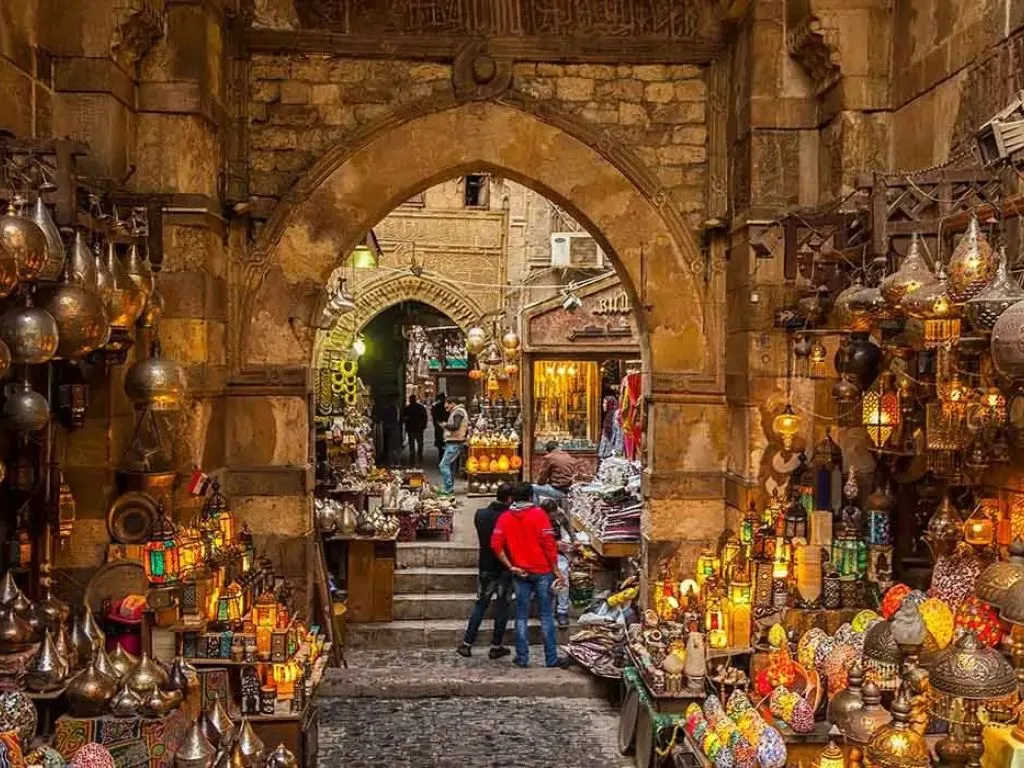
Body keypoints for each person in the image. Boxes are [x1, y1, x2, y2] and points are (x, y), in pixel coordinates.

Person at [490, 483, 570, 668]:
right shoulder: (539, 515)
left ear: (512, 498)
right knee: (546, 615)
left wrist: (510, 567)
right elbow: (549, 545)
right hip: (542, 571)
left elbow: (495, 545)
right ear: (530, 497)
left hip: (520, 572)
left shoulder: (505, 518)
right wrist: (557, 570)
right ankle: (551, 658)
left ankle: (522, 657)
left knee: (521, 616)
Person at [457, 483, 514, 659]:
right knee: (502, 607)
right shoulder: (510, 517)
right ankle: (496, 645)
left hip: (486, 566)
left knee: (481, 603)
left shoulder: (480, 514)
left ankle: (467, 643)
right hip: (505, 567)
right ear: (510, 499)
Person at [539, 498, 572, 627]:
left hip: (557, 554)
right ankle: (546, 610)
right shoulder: (537, 519)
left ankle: (562, 610)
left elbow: (568, 526)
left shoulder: (559, 514)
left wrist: (573, 541)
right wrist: (554, 544)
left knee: (563, 574)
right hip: (541, 553)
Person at [438, 397, 468, 495]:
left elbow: (456, 426)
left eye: (446, 404)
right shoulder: (458, 411)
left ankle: (448, 489)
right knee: (450, 466)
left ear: (452, 404)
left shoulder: (458, 412)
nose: (445, 406)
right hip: (454, 442)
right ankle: (449, 488)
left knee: (443, 465)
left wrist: (445, 425)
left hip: (455, 443)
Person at [533, 440, 577, 504]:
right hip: (569, 489)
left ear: (547, 450)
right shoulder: (567, 455)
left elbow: (542, 478)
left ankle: (536, 512)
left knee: (532, 488)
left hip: (558, 490)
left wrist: (539, 483)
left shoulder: (549, 457)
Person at [401, 394, 429, 467]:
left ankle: (412, 461)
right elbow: (425, 417)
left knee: (411, 445)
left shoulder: (407, 408)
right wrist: (424, 425)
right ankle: (420, 458)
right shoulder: (420, 407)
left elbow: (403, 418)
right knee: (420, 443)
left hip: (411, 429)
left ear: (410, 400)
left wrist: (407, 421)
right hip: (419, 429)